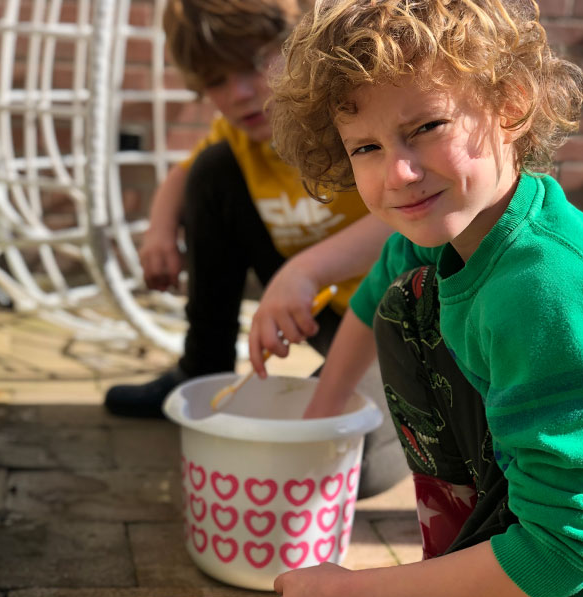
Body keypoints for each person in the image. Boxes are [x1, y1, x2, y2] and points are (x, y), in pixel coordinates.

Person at [262, 1, 583, 597]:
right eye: (364, 148)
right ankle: (469, 557)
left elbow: (563, 552)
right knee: (404, 300)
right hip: (557, 546)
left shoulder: (542, 287)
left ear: (512, 105)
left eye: (427, 128)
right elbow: (372, 302)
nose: (397, 172)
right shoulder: (453, 226)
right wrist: (320, 419)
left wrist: (354, 591)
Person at [104, 0, 392, 418]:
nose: (238, 93)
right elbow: (186, 173)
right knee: (212, 169)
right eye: (216, 80)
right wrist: (160, 228)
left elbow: (410, 221)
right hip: (322, 314)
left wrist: (306, 269)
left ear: (298, 40)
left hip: (394, 320)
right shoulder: (238, 137)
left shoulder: (351, 109)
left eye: (253, 64)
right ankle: (200, 370)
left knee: (335, 451)